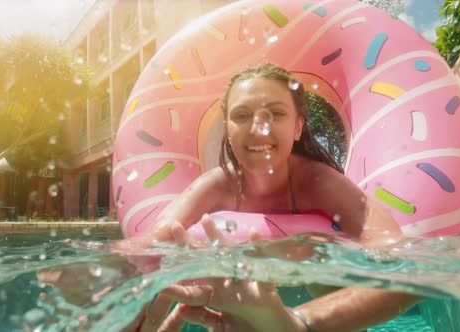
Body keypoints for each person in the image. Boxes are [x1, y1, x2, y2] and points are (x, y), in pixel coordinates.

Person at [118, 63, 421, 332]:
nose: (258, 128)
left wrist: (295, 321)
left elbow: (404, 262)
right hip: (238, 316)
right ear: (227, 128)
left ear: (298, 126)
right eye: (241, 115)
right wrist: (119, 292)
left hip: (319, 313)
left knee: (316, 248)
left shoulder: (319, 182)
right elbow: (152, 241)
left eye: (275, 114)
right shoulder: (217, 185)